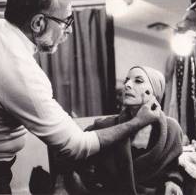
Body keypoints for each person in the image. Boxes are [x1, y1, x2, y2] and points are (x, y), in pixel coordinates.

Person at [0, 0, 161, 194]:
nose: (71, 29)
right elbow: (76, 146)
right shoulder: (20, 72)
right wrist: (136, 123)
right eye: (66, 20)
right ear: (38, 23)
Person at [68, 66, 184, 195]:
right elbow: (74, 159)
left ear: (154, 92)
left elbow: (171, 168)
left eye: (138, 81)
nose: (127, 85)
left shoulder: (171, 130)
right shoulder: (105, 126)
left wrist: (171, 182)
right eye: (126, 80)